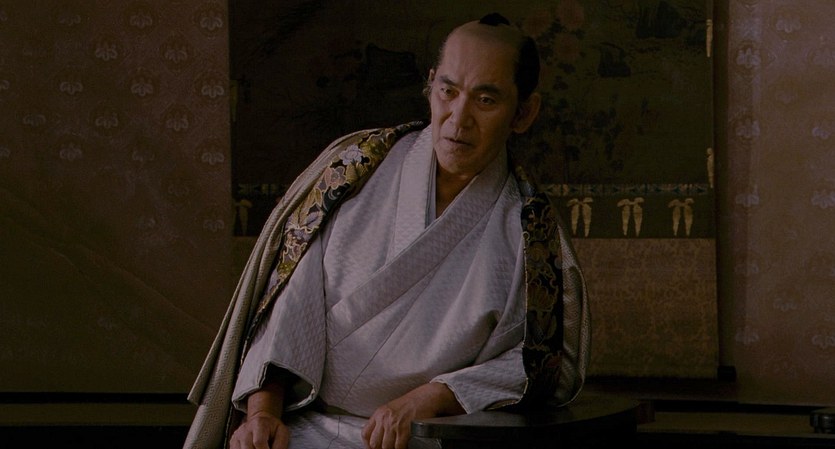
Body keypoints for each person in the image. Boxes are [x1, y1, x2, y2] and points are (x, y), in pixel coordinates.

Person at [184, 12, 590, 449]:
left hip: (426, 438)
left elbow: (536, 364)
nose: (458, 118)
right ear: (430, 85)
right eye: (448, 91)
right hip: (307, 426)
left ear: (523, 113)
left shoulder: (530, 232)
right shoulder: (355, 169)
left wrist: (433, 397)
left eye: (486, 100)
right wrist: (263, 414)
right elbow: (290, 301)